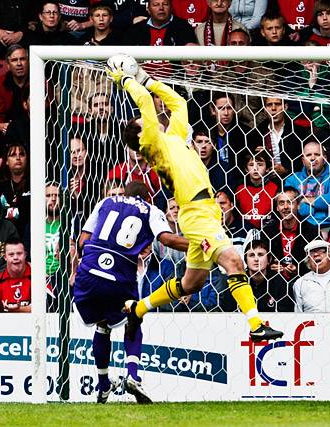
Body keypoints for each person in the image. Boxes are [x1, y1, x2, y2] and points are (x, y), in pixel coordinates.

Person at [109, 57, 283, 342]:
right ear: (140, 136)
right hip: (196, 213)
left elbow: (178, 103)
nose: (154, 120)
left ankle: (138, 308)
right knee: (233, 261)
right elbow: (146, 105)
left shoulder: (172, 139)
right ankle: (255, 324)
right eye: (146, 123)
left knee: (192, 283)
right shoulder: (152, 145)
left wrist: (146, 77)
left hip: (207, 211)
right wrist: (127, 79)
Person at [74, 181, 188, 403]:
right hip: (119, 275)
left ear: (125, 194)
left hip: (89, 271)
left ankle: (104, 383)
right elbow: (167, 239)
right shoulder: (150, 210)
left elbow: (82, 241)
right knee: (133, 317)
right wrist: (201, 244)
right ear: (148, 198)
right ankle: (133, 375)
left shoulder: (105, 201)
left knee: (102, 325)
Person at [259, 187, 320, 283]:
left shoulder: (312, 231)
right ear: (277, 208)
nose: (286, 207)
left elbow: (318, 261)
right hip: (274, 284)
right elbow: (261, 258)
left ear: (298, 205)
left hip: (304, 282)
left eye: (290, 202)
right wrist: (270, 267)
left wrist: (298, 270)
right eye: (281, 203)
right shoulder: (267, 232)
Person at [284, 140, 330, 234]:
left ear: (324, 158)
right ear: (303, 161)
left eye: (317, 154)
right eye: (308, 155)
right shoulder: (292, 179)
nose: (312, 158)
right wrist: (317, 204)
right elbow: (290, 206)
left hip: (327, 227)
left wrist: (304, 200)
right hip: (301, 228)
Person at [0, 44, 29, 157]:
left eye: (22, 59)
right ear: (8, 65)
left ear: (28, 61)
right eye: (14, 60)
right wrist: (0, 125)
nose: (19, 64)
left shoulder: (39, 80)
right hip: (7, 128)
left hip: (32, 127)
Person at [293, 239, 330, 313]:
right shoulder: (300, 283)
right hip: (313, 324)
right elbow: (298, 314)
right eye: (311, 252)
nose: (316, 254)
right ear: (308, 260)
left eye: (321, 250)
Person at [0, 143, 30, 240]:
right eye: (13, 155)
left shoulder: (33, 181)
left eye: (22, 154)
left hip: (28, 232)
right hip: (3, 232)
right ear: (6, 161)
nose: (18, 158)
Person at [243, 239, 294, 312]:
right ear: (246, 261)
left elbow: (286, 314)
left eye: (260, 255)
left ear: (269, 260)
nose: (256, 259)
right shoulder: (239, 282)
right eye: (252, 255)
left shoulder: (280, 283)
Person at [235, 152, 279, 229]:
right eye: (251, 165)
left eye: (260, 164)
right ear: (246, 169)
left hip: (268, 231)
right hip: (245, 231)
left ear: (267, 168)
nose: (255, 168)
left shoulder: (274, 187)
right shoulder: (239, 189)